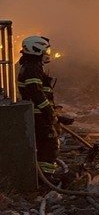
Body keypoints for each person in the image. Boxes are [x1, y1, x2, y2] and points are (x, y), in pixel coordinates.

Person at [17, 36, 60, 177]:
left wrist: (56, 114)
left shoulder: (31, 66)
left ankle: (43, 176)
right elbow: (35, 91)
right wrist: (48, 111)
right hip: (39, 114)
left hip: (39, 113)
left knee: (46, 144)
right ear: (36, 50)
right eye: (45, 50)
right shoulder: (32, 68)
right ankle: (45, 178)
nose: (47, 53)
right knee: (49, 144)